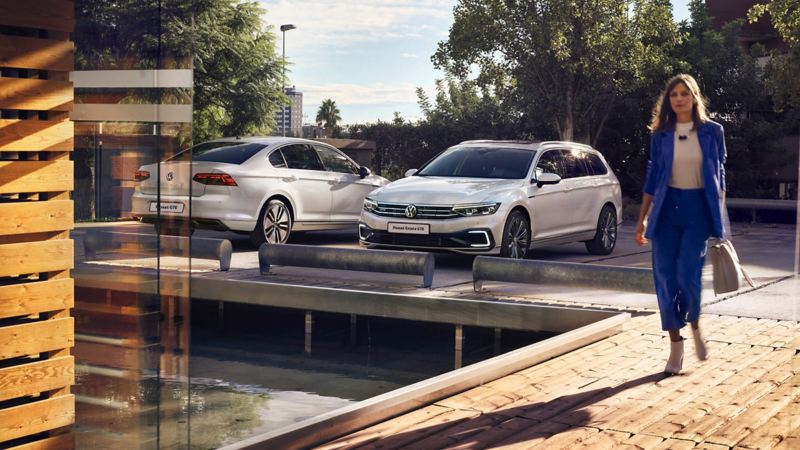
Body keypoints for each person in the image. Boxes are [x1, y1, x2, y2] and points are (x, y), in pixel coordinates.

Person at [634, 74, 727, 375]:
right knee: (664, 278)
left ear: (694, 97)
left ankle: (696, 323)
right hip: (666, 211)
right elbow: (652, 179)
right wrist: (641, 220)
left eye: (684, 93)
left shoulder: (714, 131)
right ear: (668, 100)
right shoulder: (660, 134)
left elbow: (719, 176)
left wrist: (719, 213)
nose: (678, 98)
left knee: (688, 274)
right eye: (673, 94)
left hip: (698, 210)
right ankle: (676, 344)